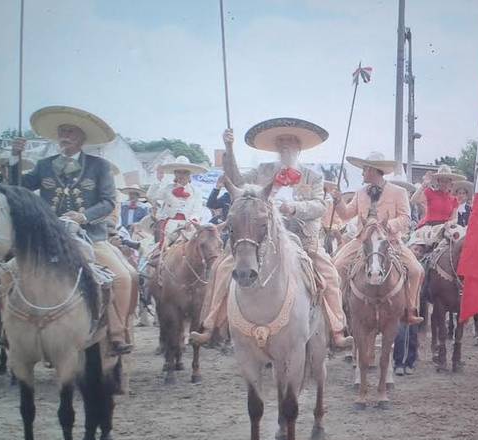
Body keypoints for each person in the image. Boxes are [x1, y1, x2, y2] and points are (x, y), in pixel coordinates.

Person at [191, 119, 352, 350]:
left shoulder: (313, 177)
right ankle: (211, 326)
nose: (285, 147)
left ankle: (337, 330)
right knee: (223, 267)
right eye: (281, 143)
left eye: (291, 143)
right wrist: (229, 149)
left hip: (302, 239)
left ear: (299, 148)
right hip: (260, 238)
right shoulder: (263, 170)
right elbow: (236, 180)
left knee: (329, 274)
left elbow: (320, 206)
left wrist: (294, 208)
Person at [8, 105, 137, 355]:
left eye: (70, 132)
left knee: (121, 276)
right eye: (61, 131)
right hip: (48, 239)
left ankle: (117, 333)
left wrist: (83, 216)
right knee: (6, 274)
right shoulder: (43, 166)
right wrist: (15, 157)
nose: (65, 136)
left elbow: (109, 201)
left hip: (90, 237)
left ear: (81, 138)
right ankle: (9, 333)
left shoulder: (100, 167)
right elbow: (18, 188)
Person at [329, 151, 425, 325]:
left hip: (389, 241)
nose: (362, 173)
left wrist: (389, 225)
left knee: (416, 270)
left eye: (364, 169)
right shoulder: (360, 193)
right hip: (362, 241)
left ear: (373, 170)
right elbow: (346, 215)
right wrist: (337, 202)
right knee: (338, 265)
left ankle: (410, 309)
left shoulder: (399, 192)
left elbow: (406, 218)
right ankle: (341, 310)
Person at [149, 155, 206, 248]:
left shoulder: (196, 191)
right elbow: (151, 196)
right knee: (161, 248)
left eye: (184, 172)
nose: (181, 175)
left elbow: (197, 210)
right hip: (169, 225)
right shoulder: (167, 188)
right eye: (179, 172)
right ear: (175, 174)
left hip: (188, 226)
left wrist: (192, 221)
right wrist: (158, 180)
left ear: (189, 174)